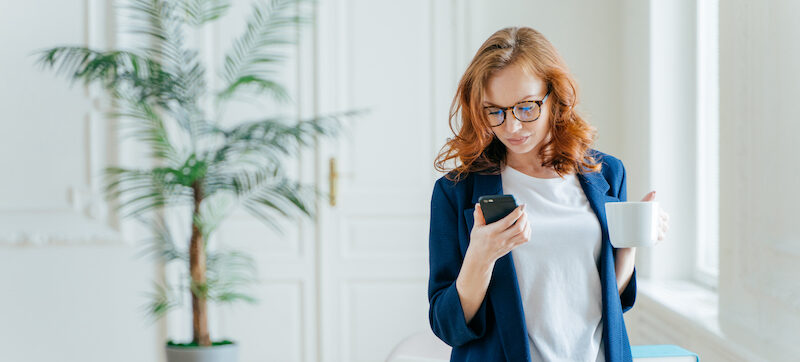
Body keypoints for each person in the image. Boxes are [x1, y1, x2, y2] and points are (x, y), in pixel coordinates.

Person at [427, 26, 670, 362]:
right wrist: (480, 256)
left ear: (555, 95)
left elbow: (607, 301)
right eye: (494, 111)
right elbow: (447, 326)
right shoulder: (455, 191)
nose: (511, 127)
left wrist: (630, 243)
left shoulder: (607, 173)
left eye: (526, 107)